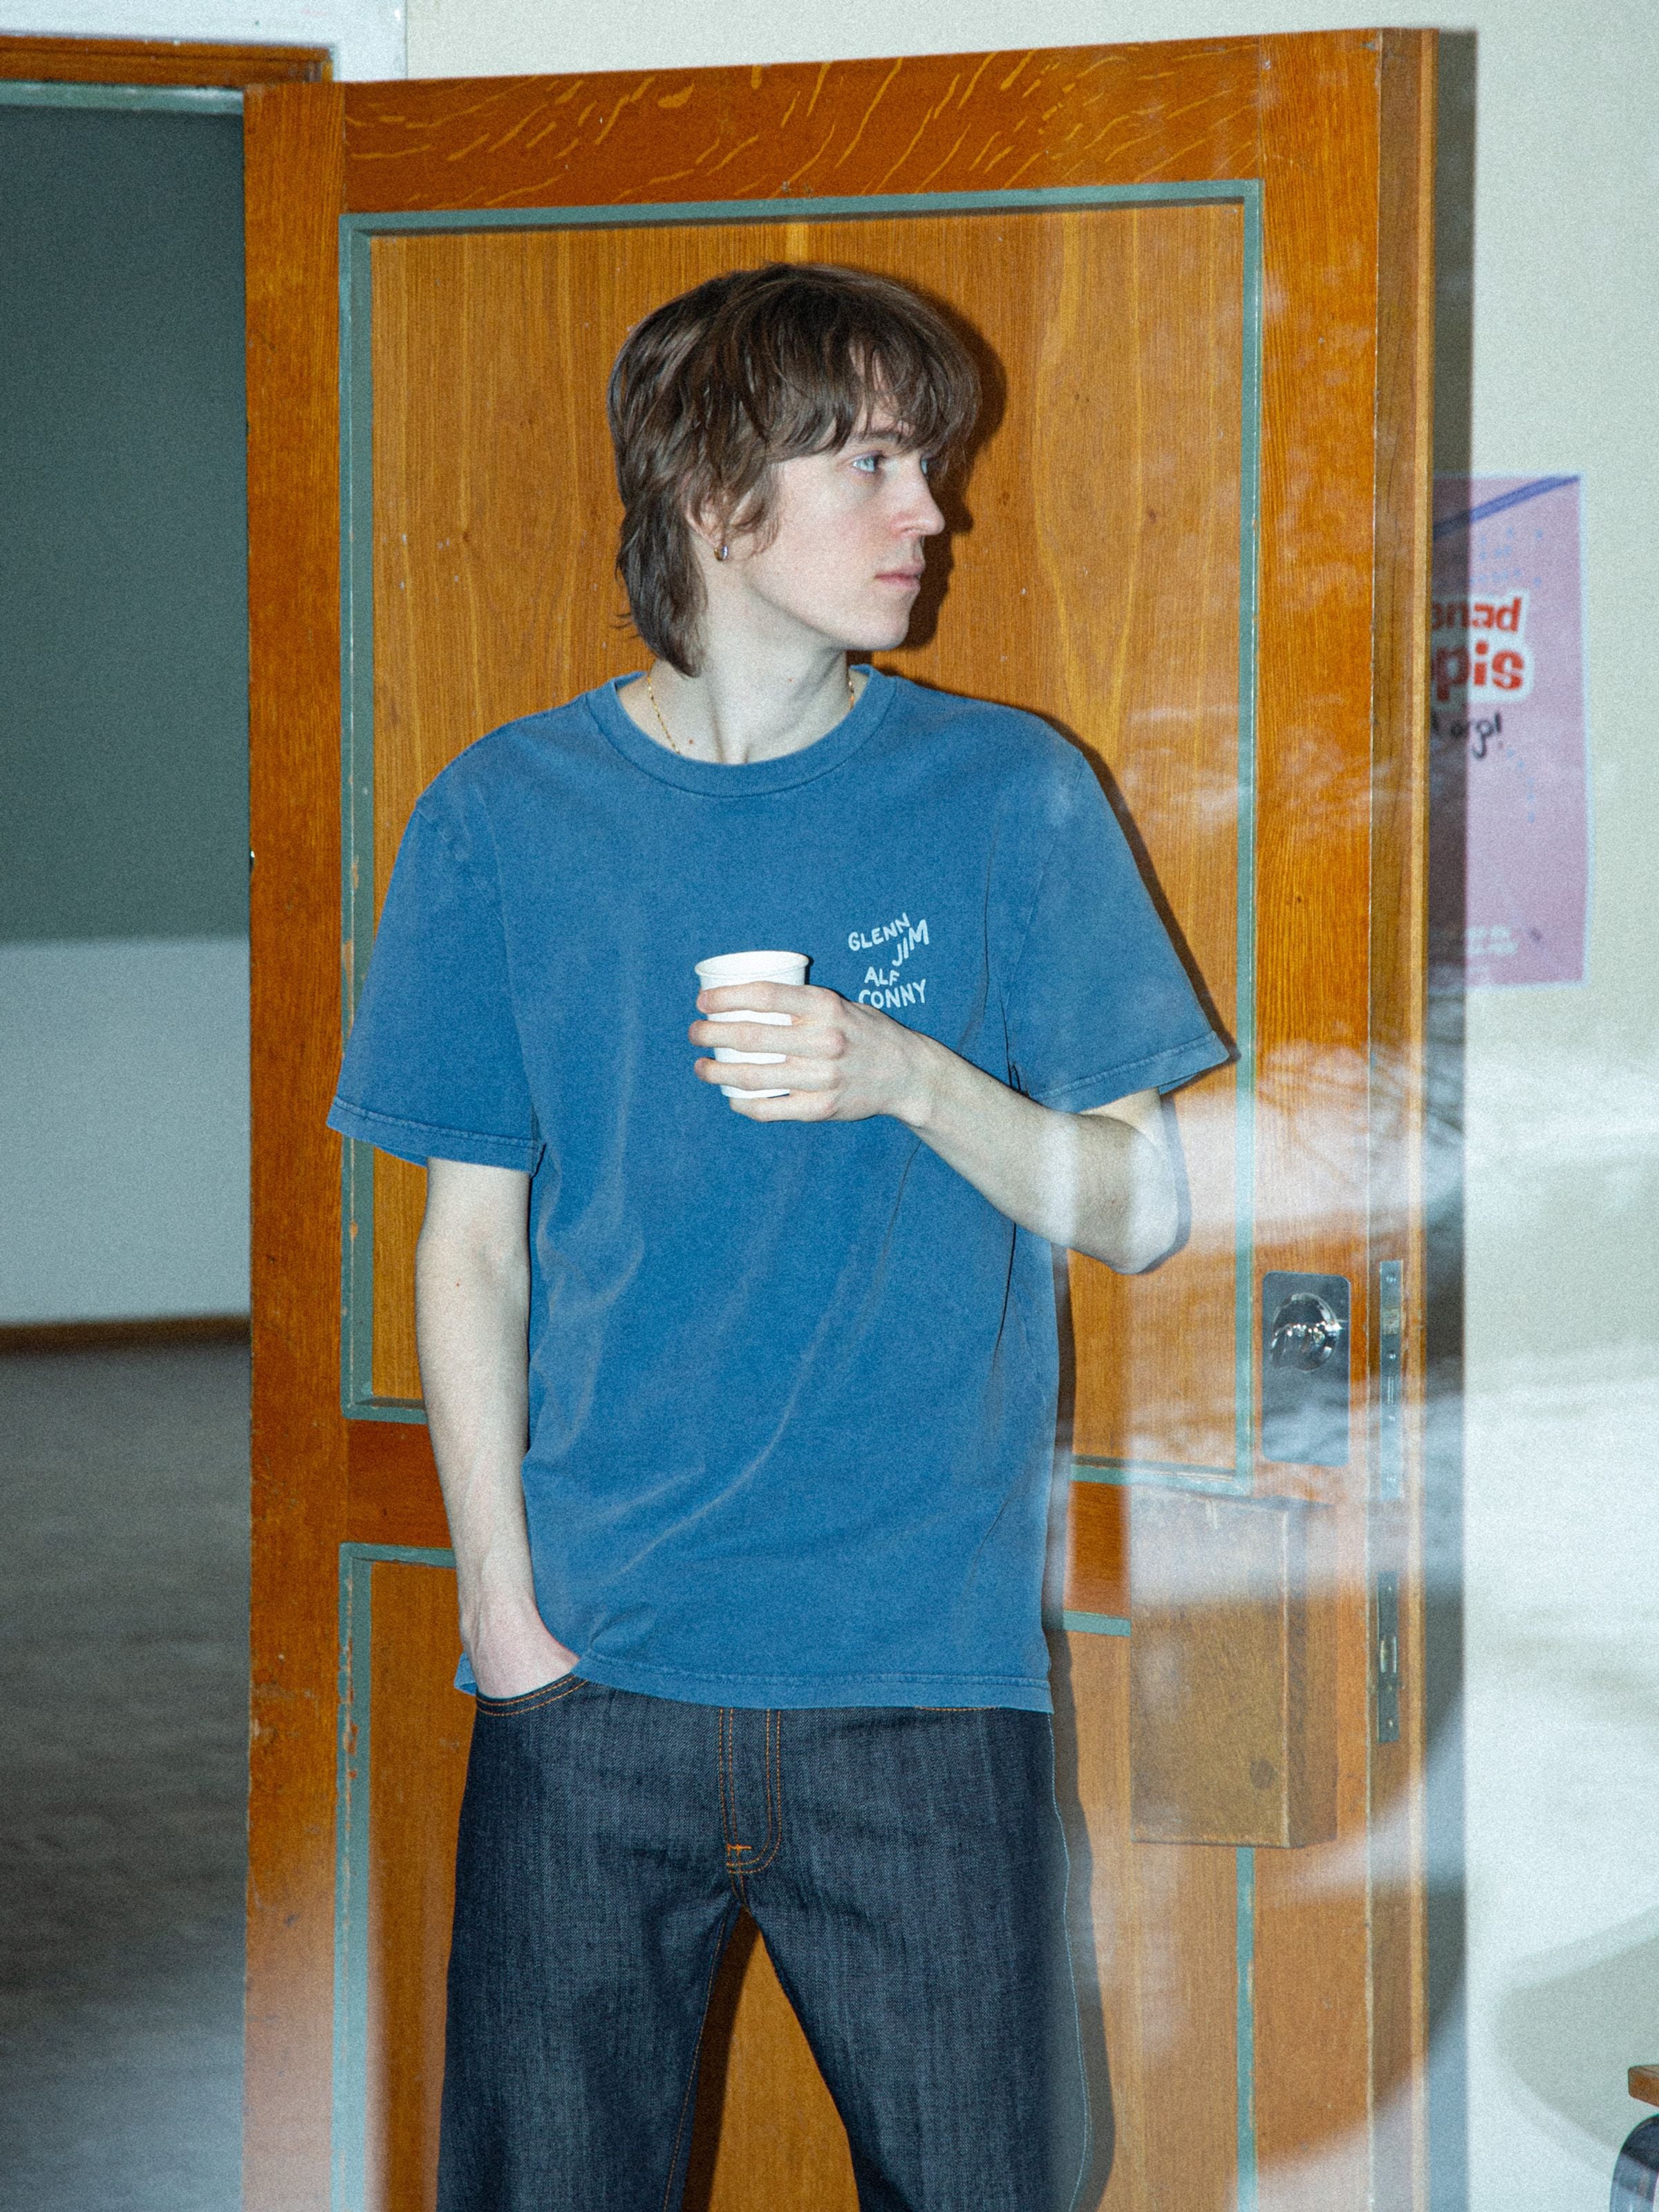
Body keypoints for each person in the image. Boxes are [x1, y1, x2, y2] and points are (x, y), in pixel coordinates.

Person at [328, 261, 1226, 2212]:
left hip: (921, 1683)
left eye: (934, 465)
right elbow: (467, 1247)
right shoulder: (503, 815)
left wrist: (908, 1078)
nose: (935, 514)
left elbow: (1143, 1207)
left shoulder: (1011, 795)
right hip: (594, 1682)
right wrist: (507, 1615)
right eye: (880, 463)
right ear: (717, 490)